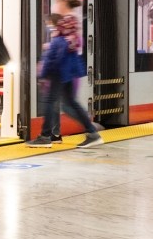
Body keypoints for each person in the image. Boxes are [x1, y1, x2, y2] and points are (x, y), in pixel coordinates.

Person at [29, 11, 102, 148]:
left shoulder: (58, 41)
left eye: (51, 25)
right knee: (70, 103)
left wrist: (42, 74)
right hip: (68, 75)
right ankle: (92, 133)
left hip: (58, 75)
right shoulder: (71, 41)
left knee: (51, 103)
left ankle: (45, 137)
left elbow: (52, 61)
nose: (50, 28)